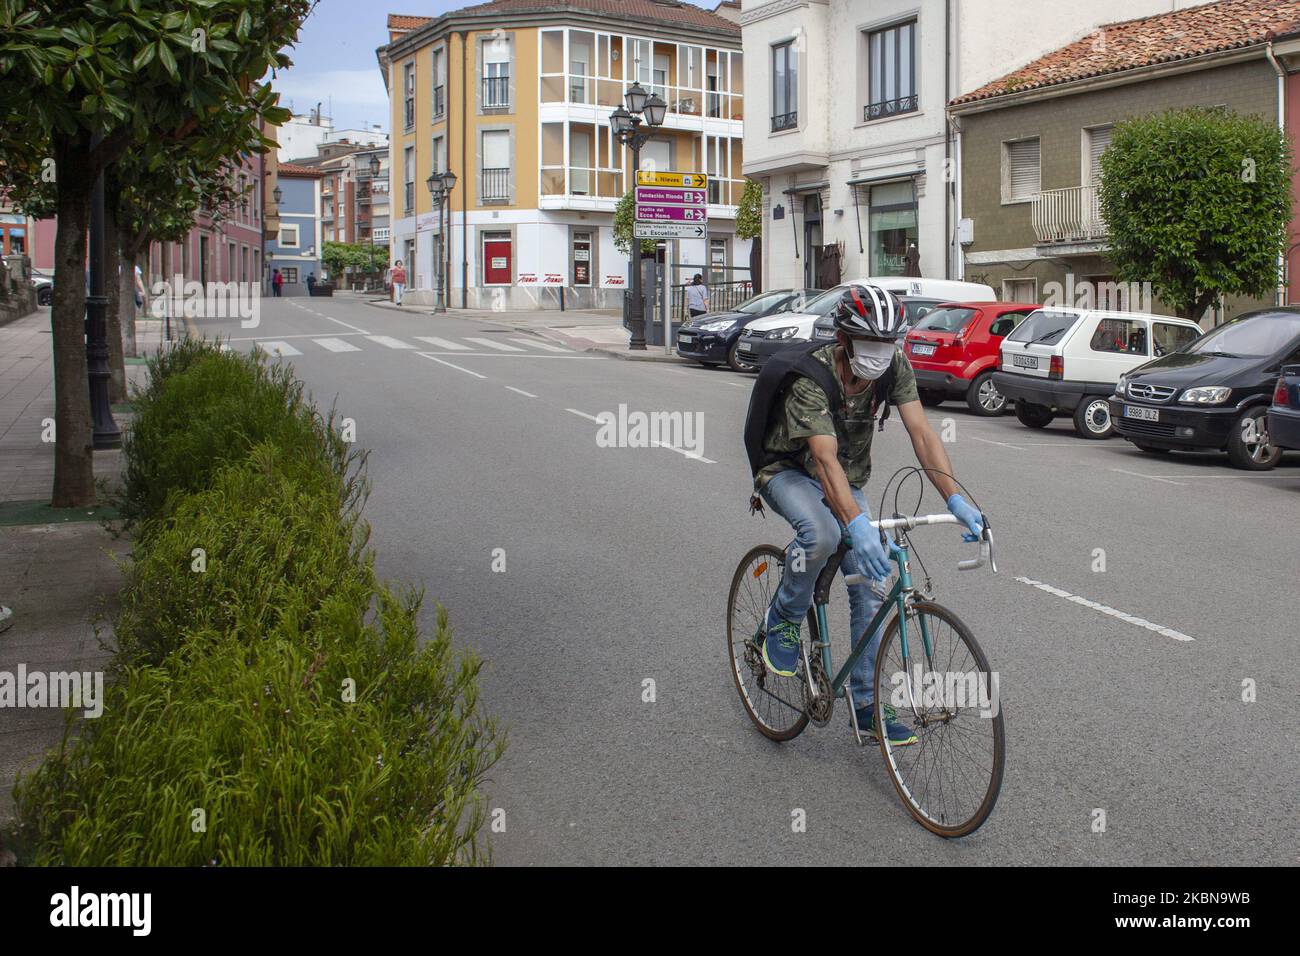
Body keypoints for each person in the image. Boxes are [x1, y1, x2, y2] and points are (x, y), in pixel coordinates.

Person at [754, 283, 986, 746]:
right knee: (821, 534)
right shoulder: (811, 378)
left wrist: (956, 498)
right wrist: (855, 524)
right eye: (870, 344)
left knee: (872, 584)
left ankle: (866, 706)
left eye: (888, 343)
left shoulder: (893, 366)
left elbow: (922, 433)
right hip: (789, 470)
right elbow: (823, 459)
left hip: (848, 475)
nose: (881, 353)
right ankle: (780, 620)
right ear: (843, 340)